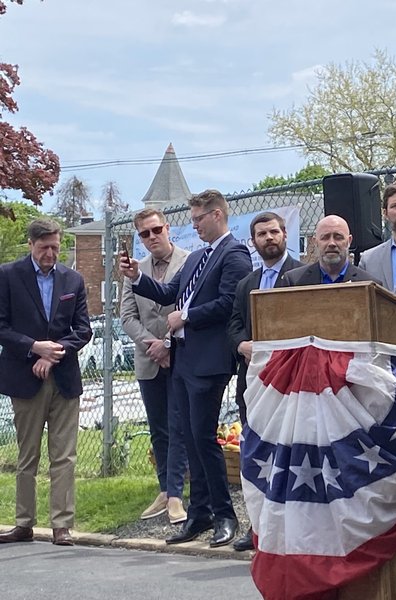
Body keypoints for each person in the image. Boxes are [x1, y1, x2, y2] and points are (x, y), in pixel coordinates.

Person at [119, 189, 252, 548]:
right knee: (190, 438)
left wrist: (187, 316)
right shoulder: (196, 258)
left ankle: (226, 516)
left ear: (218, 215)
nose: (194, 227)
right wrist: (136, 278)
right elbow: (167, 293)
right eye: (191, 220)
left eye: (198, 220)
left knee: (205, 438)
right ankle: (200, 515)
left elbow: (229, 303)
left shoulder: (234, 253)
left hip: (209, 361)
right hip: (183, 360)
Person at [0, 219, 92, 547]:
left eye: (55, 247)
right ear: (30, 245)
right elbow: (2, 326)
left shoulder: (73, 280)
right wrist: (33, 347)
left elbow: (83, 329)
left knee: (64, 455)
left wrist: (52, 354)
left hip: (64, 379)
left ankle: (62, 525)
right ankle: (23, 523)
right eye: (44, 248)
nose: (50, 253)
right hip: (24, 380)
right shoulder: (8, 276)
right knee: (27, 455)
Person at [227, 211, 302, 551]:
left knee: (292, 454)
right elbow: (234, 323)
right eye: (261, 234)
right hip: (254, 384)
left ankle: (292, 525)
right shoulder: (247, 283)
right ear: (253, 241)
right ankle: (257, 527)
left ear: (285, 235)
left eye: (274, 232)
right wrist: (241, 343)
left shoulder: (303, 275)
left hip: (292, 384)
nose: (268, 238)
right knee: (256, 454)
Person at [120, 208, 190, 525]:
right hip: (148, 360)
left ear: (168, 228)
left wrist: (168, 344)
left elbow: (191, 308)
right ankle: (165, 488)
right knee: (159, 429)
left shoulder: (189, 261)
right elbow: (127, 316)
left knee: (180, 427)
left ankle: (177, 494)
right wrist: (152, 344)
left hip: (180, 357)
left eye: (156, 230)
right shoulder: (135, 269)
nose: (152, 237)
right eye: (144, 234)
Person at [277, 215, 380, 287]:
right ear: (315, 242)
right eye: (325, 237)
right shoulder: (294, 281)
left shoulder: (369, 284)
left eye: (338, 237)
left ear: (349, 241)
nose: (332, 243)